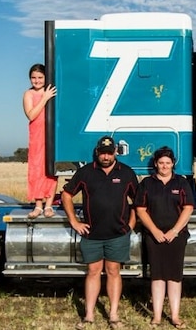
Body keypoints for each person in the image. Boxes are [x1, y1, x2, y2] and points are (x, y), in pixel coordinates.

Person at [62, 135, 139, 329]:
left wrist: (131, 224)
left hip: (118, 233)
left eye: (109, 153)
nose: (106, 156)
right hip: (92, 233)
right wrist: (74, 221)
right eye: (102, 153)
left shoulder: (126, 173)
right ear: (97, 152)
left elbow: (138, 201)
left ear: (115, 152)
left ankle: (113, 315)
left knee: (114, 271)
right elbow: (66, 194)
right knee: (93, 271)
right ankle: (89, 315)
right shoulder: (86, 172)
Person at [134, 146, 194, 329]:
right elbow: (140, 209)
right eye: (161, 163)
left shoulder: (181, 183)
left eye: (168, 163)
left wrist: (175, 231)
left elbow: (188, 207)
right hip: (154, 237)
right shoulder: (147, 183)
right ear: (155, 164)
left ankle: (175, 316)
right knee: (158, 276)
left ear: (173, 164)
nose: (164, 166)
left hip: (177, 236)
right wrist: (154, 231)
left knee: (174, 277)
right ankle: (157, 317)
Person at [23, 63, 58, 219]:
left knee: (51, 169)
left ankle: (49, 206)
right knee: (37, 169)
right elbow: (31, 115)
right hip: (37, 135)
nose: (36, 81)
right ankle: (38, 206)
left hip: (52, 133)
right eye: (33, 77)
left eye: (40, 77)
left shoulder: (51, 90)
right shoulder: (28, 94)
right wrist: (44, 98)